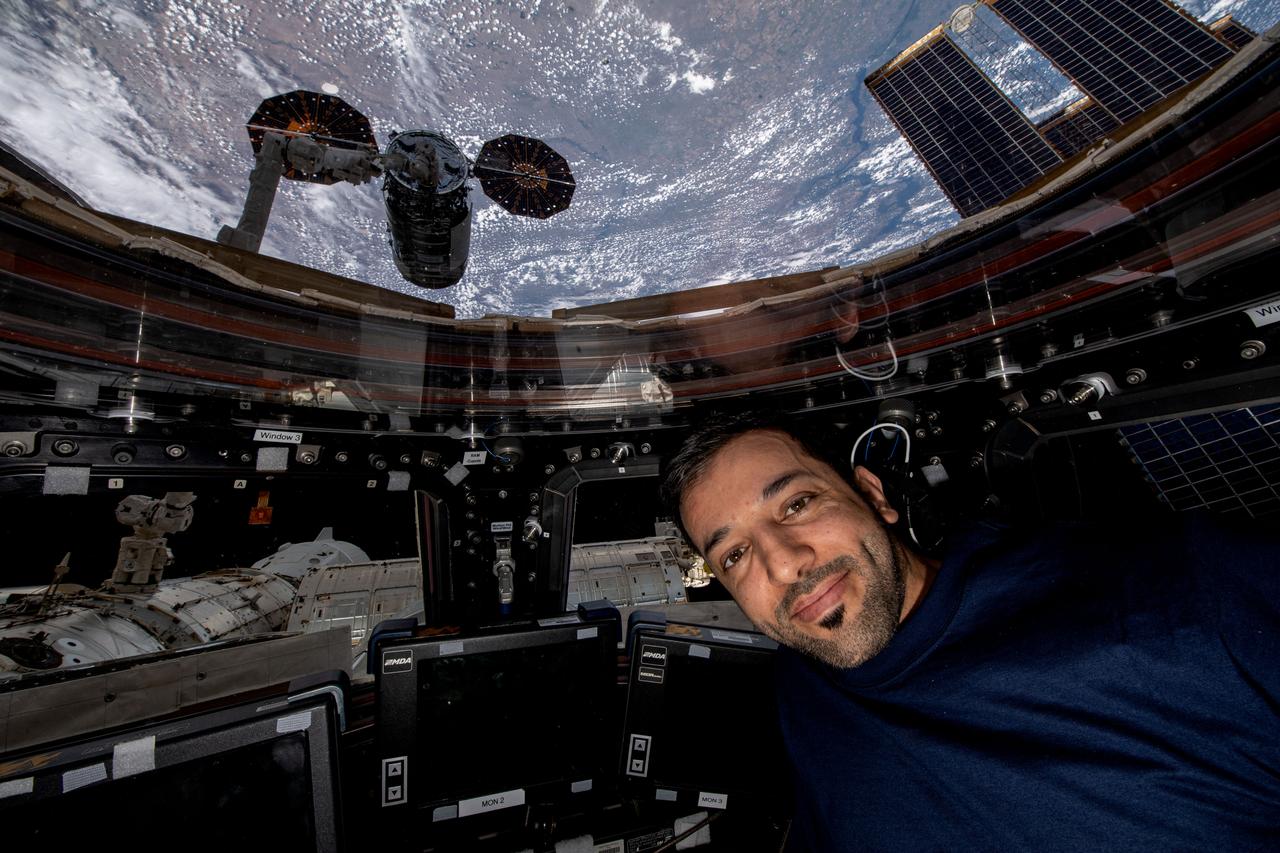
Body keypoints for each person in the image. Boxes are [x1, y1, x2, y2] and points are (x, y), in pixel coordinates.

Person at [660, 410, 1280, 851]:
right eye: (735, 555)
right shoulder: (805, 680)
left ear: (872, 496)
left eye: (796, 504)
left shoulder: (1188, 589)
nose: (784, 565)